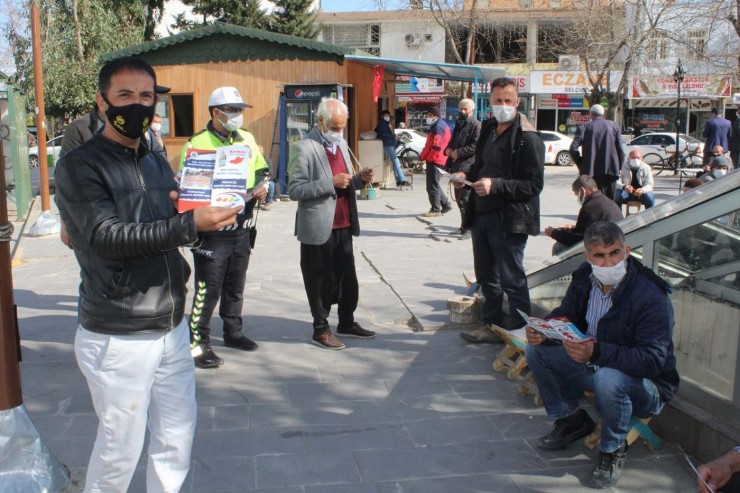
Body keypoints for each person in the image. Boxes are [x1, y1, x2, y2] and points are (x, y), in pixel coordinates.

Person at [54, 56, 241, 493]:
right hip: (120, 331)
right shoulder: (81, 165)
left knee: (176, 435)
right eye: (124, 96)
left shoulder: (156, 160)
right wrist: (190, 225)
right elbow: (104, 236)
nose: (136, 106)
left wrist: (200, 221)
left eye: (144, 96)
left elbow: (163, 230)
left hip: (169, 324)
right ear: (102, 103)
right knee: (120, 447)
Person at [525, 222, 679, 489]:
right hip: (594, 365)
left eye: (615, 253)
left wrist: (596, 351)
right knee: (536, 351)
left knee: (609, 378)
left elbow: (653, 361)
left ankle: (612, 449)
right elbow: (568, 312)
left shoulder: (650, 295)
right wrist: (544, 329)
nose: (608, 263)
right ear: (587, 256)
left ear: (627, 251)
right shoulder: (585, 274)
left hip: (647, 387)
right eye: (600, 255)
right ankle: (571, 420)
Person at [181, 86, 269, 368]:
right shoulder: (197, 143)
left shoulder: (247, 139)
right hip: (212, 232)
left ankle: (233, 331)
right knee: (208, 289)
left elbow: (260, 171)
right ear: (215, 112)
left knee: (236, 285)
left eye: (240, 111)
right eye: (232, 111)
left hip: (241, 226)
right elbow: (188, 189)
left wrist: (262, 188)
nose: (237, 116)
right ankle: (198, 343)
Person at [454, 77, 544, 344]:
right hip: (482, 213)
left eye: (508, 100)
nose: (503, 105)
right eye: (498, 100)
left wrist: (497, 185)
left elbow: (534, 184)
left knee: (512, 279)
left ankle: (518, 333)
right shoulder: (489, 128)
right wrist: (464, 174)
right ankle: (491, 324)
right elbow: (481, 165)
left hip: (510, 220)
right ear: (490, 101)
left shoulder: (528, 137)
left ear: (517, 102)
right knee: (485, 275)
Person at [288, 97, 377, 350]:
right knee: (319, 279)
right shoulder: (304, 147)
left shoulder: (342, 145)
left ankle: (346, 322)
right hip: (318, 226)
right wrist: (331, 184)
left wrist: (361, 179)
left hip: (344, 223)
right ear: (320, 121)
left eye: (342, 127)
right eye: (334, 127)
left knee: (347, 279)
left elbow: (347, 182)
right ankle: (321, 328)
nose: (339, 132)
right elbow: (294, 189)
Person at [545, 175, 623, 255]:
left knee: (559, 247)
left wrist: (553, 233)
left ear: (582, 191)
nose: (577, 197)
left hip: (605, 248)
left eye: (576, 194)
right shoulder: (605, 200)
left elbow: (577, 241)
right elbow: (588, 229)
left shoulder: (589, 208)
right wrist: (572, 228)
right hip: (613, 242)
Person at [570, 104, 625, 201]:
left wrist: (582, 164)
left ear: (591, 114)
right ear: (603, 114)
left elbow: (573, 149)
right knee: (610, 200)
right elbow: (620, 150)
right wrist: (619, 167)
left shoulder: (584, 127)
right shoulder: (614, 126)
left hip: (590, 171)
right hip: (611, 170)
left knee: (592, 199)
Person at [444, 98, 481, 238]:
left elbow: (475, 146)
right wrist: (448, 149)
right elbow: (453, 141)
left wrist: (459, 152)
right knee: (459, 199)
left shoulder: (476, 125)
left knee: (465, 198)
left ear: (471, 109)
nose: (462, 111)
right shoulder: (459, 124)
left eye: (465, 109)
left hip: (467, 168)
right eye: (461, 109)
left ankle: (469, 228)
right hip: (455, 165)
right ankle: (463, 225)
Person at [420, 107, 452, 217]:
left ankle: (435, 209)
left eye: (429, 115)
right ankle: (446, 204)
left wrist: (426, 157)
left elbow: (436, 147)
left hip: (435, 159)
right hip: (438, 158)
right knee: (435, 184)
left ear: (435, 116)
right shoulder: (440, 125)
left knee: (431, 186)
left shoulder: (438, 127)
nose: (427, 118)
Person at [375, 109, 410, 188]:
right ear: (382, 116)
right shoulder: (382, 124)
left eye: (388, 116)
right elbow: (383, 134)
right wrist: (394, 136)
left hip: (390, 144)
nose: (387, 117)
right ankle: (402, 180)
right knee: (396, 161)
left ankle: (398, 181)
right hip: (387, 144)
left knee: (395, 163)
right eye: (386, 115)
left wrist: (395, 136)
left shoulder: (386, 124)